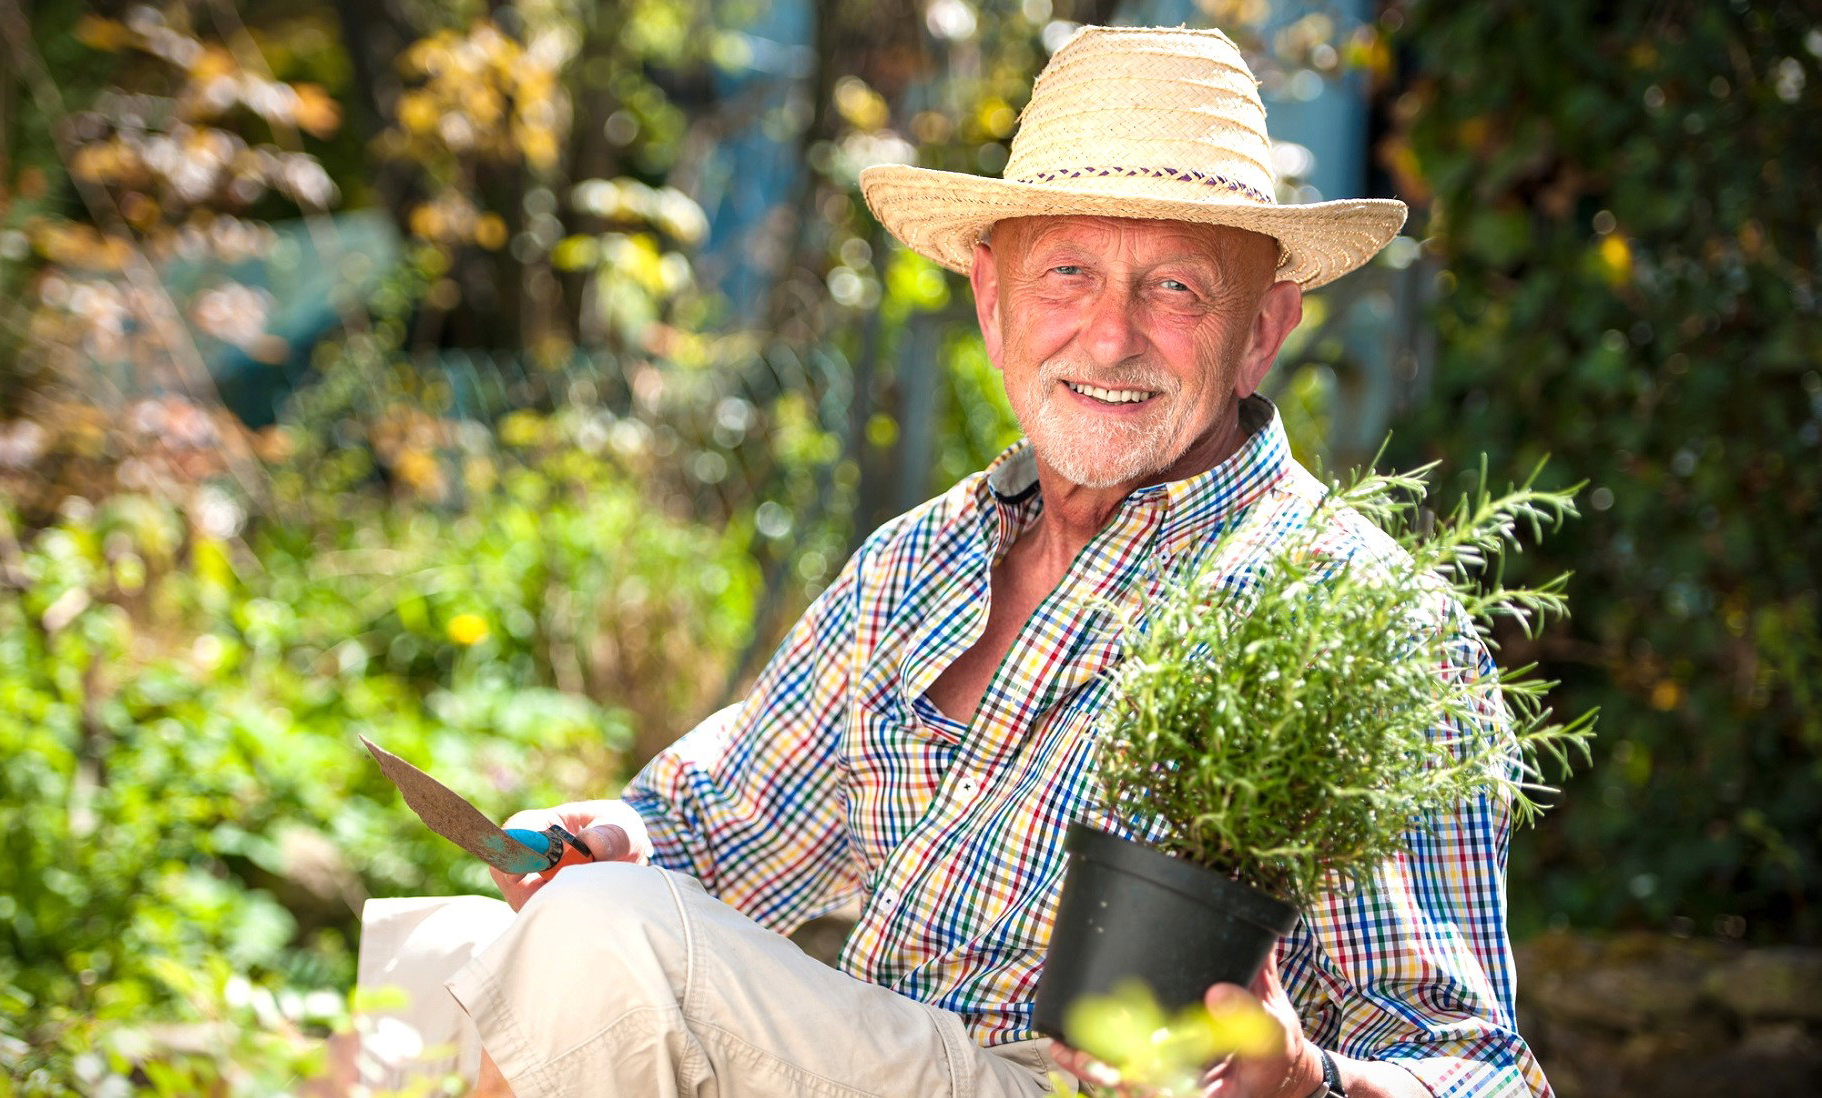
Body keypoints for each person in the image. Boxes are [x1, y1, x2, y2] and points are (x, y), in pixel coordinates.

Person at [356, 25, 1550, 1098]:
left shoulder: (1355, 624)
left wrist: (1304, 1085)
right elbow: (723, 829)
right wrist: (621, 834)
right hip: (882, 1053)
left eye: (1175, 288)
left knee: (590, 945)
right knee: (443, 961)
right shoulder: (922, 557)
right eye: (1066, 273)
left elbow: (1480, 1075)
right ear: (991, 302)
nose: (1109, 334)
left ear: (1263, 332)